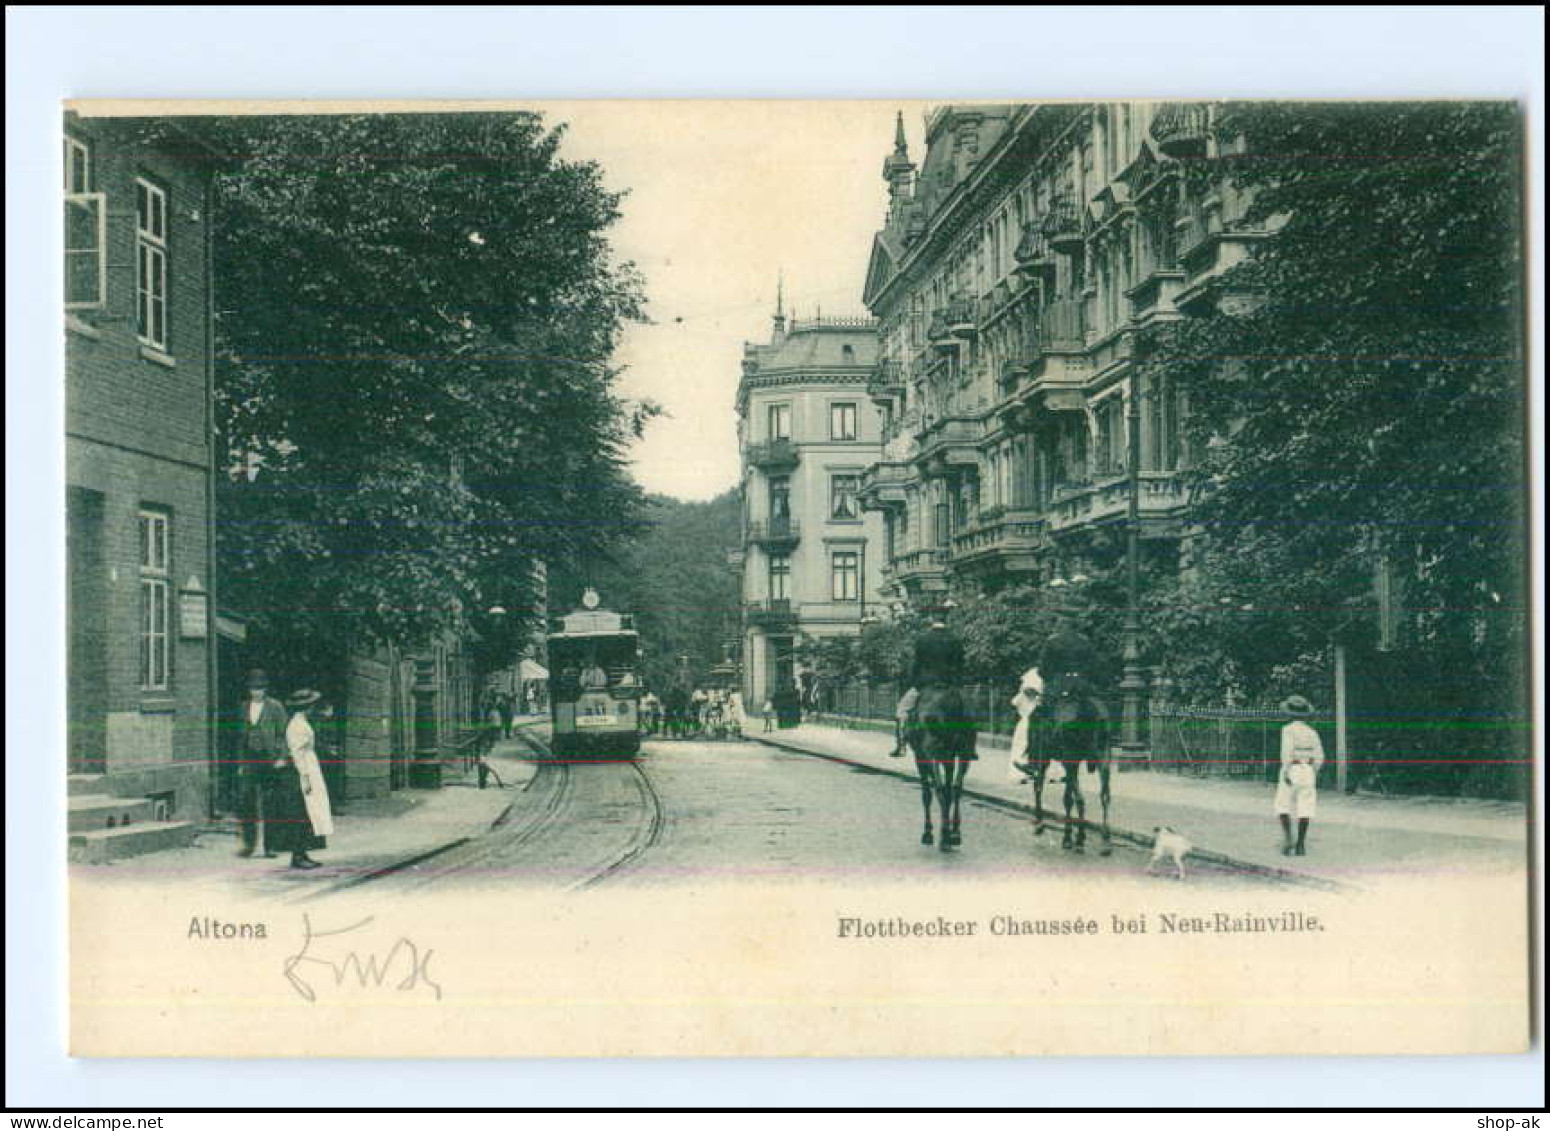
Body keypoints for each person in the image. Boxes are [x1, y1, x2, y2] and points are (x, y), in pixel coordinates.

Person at [270, 689, 334, 870]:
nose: (314, 709)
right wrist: (305, 778)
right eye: (312, 706)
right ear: (307, 707)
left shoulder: (302, 722)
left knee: (308, 813)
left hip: (308, 768)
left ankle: (302, 853)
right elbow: (297, 755)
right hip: (302, 771)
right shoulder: (297, 726)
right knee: (300, 813)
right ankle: (298, 855)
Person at [236, 669, 288, 858]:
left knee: (271, 803)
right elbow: (240, 737)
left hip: (270, 759)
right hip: (250, 759)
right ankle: (249, 845)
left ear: (265, 689)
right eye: (252, 688)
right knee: (246, 801)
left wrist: (282, 757)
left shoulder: (275, 707)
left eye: (259, 688)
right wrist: (241, 764)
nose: (256, 692)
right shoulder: (243, 707)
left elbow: (283, 734)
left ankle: (271, 846)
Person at [1275, 695, 1325, 856]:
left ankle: (1288, 837)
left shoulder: (1287, 730)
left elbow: (1287, 753)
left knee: (1282, 804)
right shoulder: (1312, 732)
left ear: (1289, 713)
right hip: (1307, 770)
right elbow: (1319, 756)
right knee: (1306, 807)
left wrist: (1286, 770)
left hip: (1292, 768)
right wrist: (1312, 771)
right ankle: (1301, 845)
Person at [1006, 667, 1045, 782]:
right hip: (1027, 724)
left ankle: (1029, 771)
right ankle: (1019, 773)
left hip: (1029, 723)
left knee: (1030, 748)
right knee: (1022, 747)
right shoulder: (1033, 698)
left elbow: (1013, 703)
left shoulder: (1030, 697)